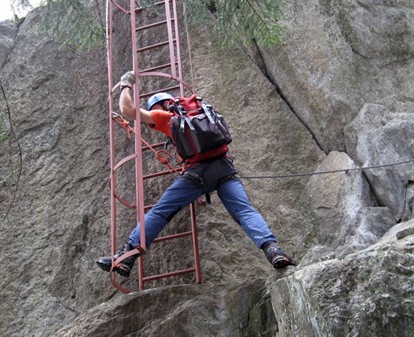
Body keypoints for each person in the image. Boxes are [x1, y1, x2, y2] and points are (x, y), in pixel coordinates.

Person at [96, 71, 294, 277]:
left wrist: (125, 84)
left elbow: (127, 109)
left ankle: (127, 256)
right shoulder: (203, 111)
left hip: (197, 175)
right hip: (224, 169)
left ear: (160, 106)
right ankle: (273, 250)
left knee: (160, 212)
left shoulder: (165, 117)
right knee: (245, 211)